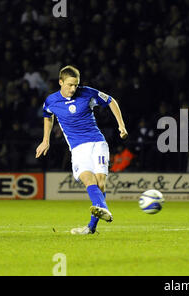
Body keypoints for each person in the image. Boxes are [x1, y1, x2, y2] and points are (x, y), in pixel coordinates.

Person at [35, 65, 128, 235]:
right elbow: (48, 116)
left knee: (100, 182)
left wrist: (121, 125)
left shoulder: (87, 93)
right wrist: (45, 140)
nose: (73, 88)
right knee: (88, 179)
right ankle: (101, 213)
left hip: (98, 143)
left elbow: (111, 101)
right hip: (78, 148)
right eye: (70, 85)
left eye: (76, 85)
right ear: (61, 82)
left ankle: (92, 225)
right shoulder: (51, 100)